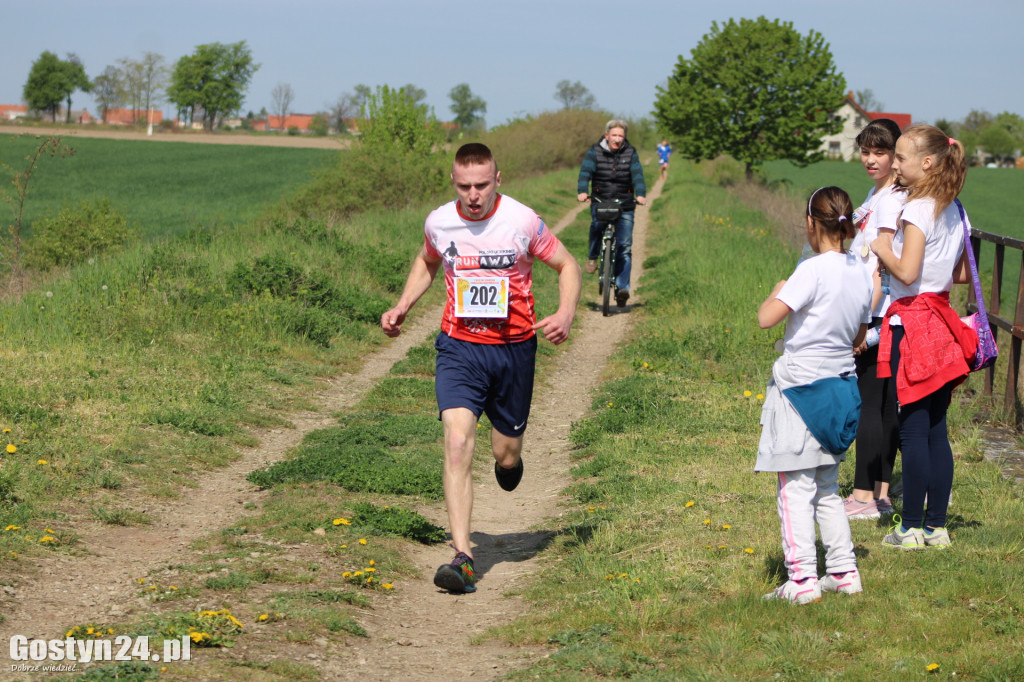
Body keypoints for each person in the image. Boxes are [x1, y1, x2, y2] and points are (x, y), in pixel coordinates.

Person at [381, 143, 582, 593]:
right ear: (454, 183)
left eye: (482, 185)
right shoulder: (439, 221)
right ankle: (463, 557)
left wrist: (566, 312)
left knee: (505, 453)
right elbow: (428, 260)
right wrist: (402, 305)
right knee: (455, 441)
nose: (474, 195)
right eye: (464, 186)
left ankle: (510, 463)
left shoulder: (522, 220)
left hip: (514, 350)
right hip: (459, 349)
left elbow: (566, 264)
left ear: (498, 180)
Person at [757, 186, 871, 604]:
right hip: (841, 388)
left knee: (794, 488)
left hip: (800, 390)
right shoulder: (861, 270)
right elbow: (860, 334)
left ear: (810, 223)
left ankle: (802, 579)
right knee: (826, 486)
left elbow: (766, 318)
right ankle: (843, 571)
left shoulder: (809, 270)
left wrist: (778, 288)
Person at [870, 125, 975, 550]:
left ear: (926, 163)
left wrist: (881, 249)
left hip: (912, 324)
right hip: (943, 323)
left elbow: (908, 273)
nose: (894, 165)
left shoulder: (916, 210)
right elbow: (963, 275)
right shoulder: (956, 209)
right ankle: (937, 527)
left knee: (912, 431)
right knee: (936, 429)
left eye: (900, 158)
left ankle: (909, 527)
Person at [844, 119, 906, 521]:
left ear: (896, 155)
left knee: (872, 403)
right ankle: (881, 491)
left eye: (880, 152)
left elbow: (880, 261)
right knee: (884, 405)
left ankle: (864, 495)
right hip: (879, 309)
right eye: (865, 151)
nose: (871, 159)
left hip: (880, 311)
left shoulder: (889, 200)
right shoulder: (877, 193)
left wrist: (866, 320)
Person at [577, 119, 647, 307]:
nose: (617, 139)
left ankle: (622, 288)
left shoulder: (630, 153)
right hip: (601, 200)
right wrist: (583, 191)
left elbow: (637, 174)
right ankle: (593, 257)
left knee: (624, 246)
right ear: (607, 135)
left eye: (621, 136)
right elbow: (585, 173)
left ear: (624, 138)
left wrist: (640, 194)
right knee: (596, 227)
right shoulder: (595, 152)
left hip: (625, 203)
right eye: (614, 135)